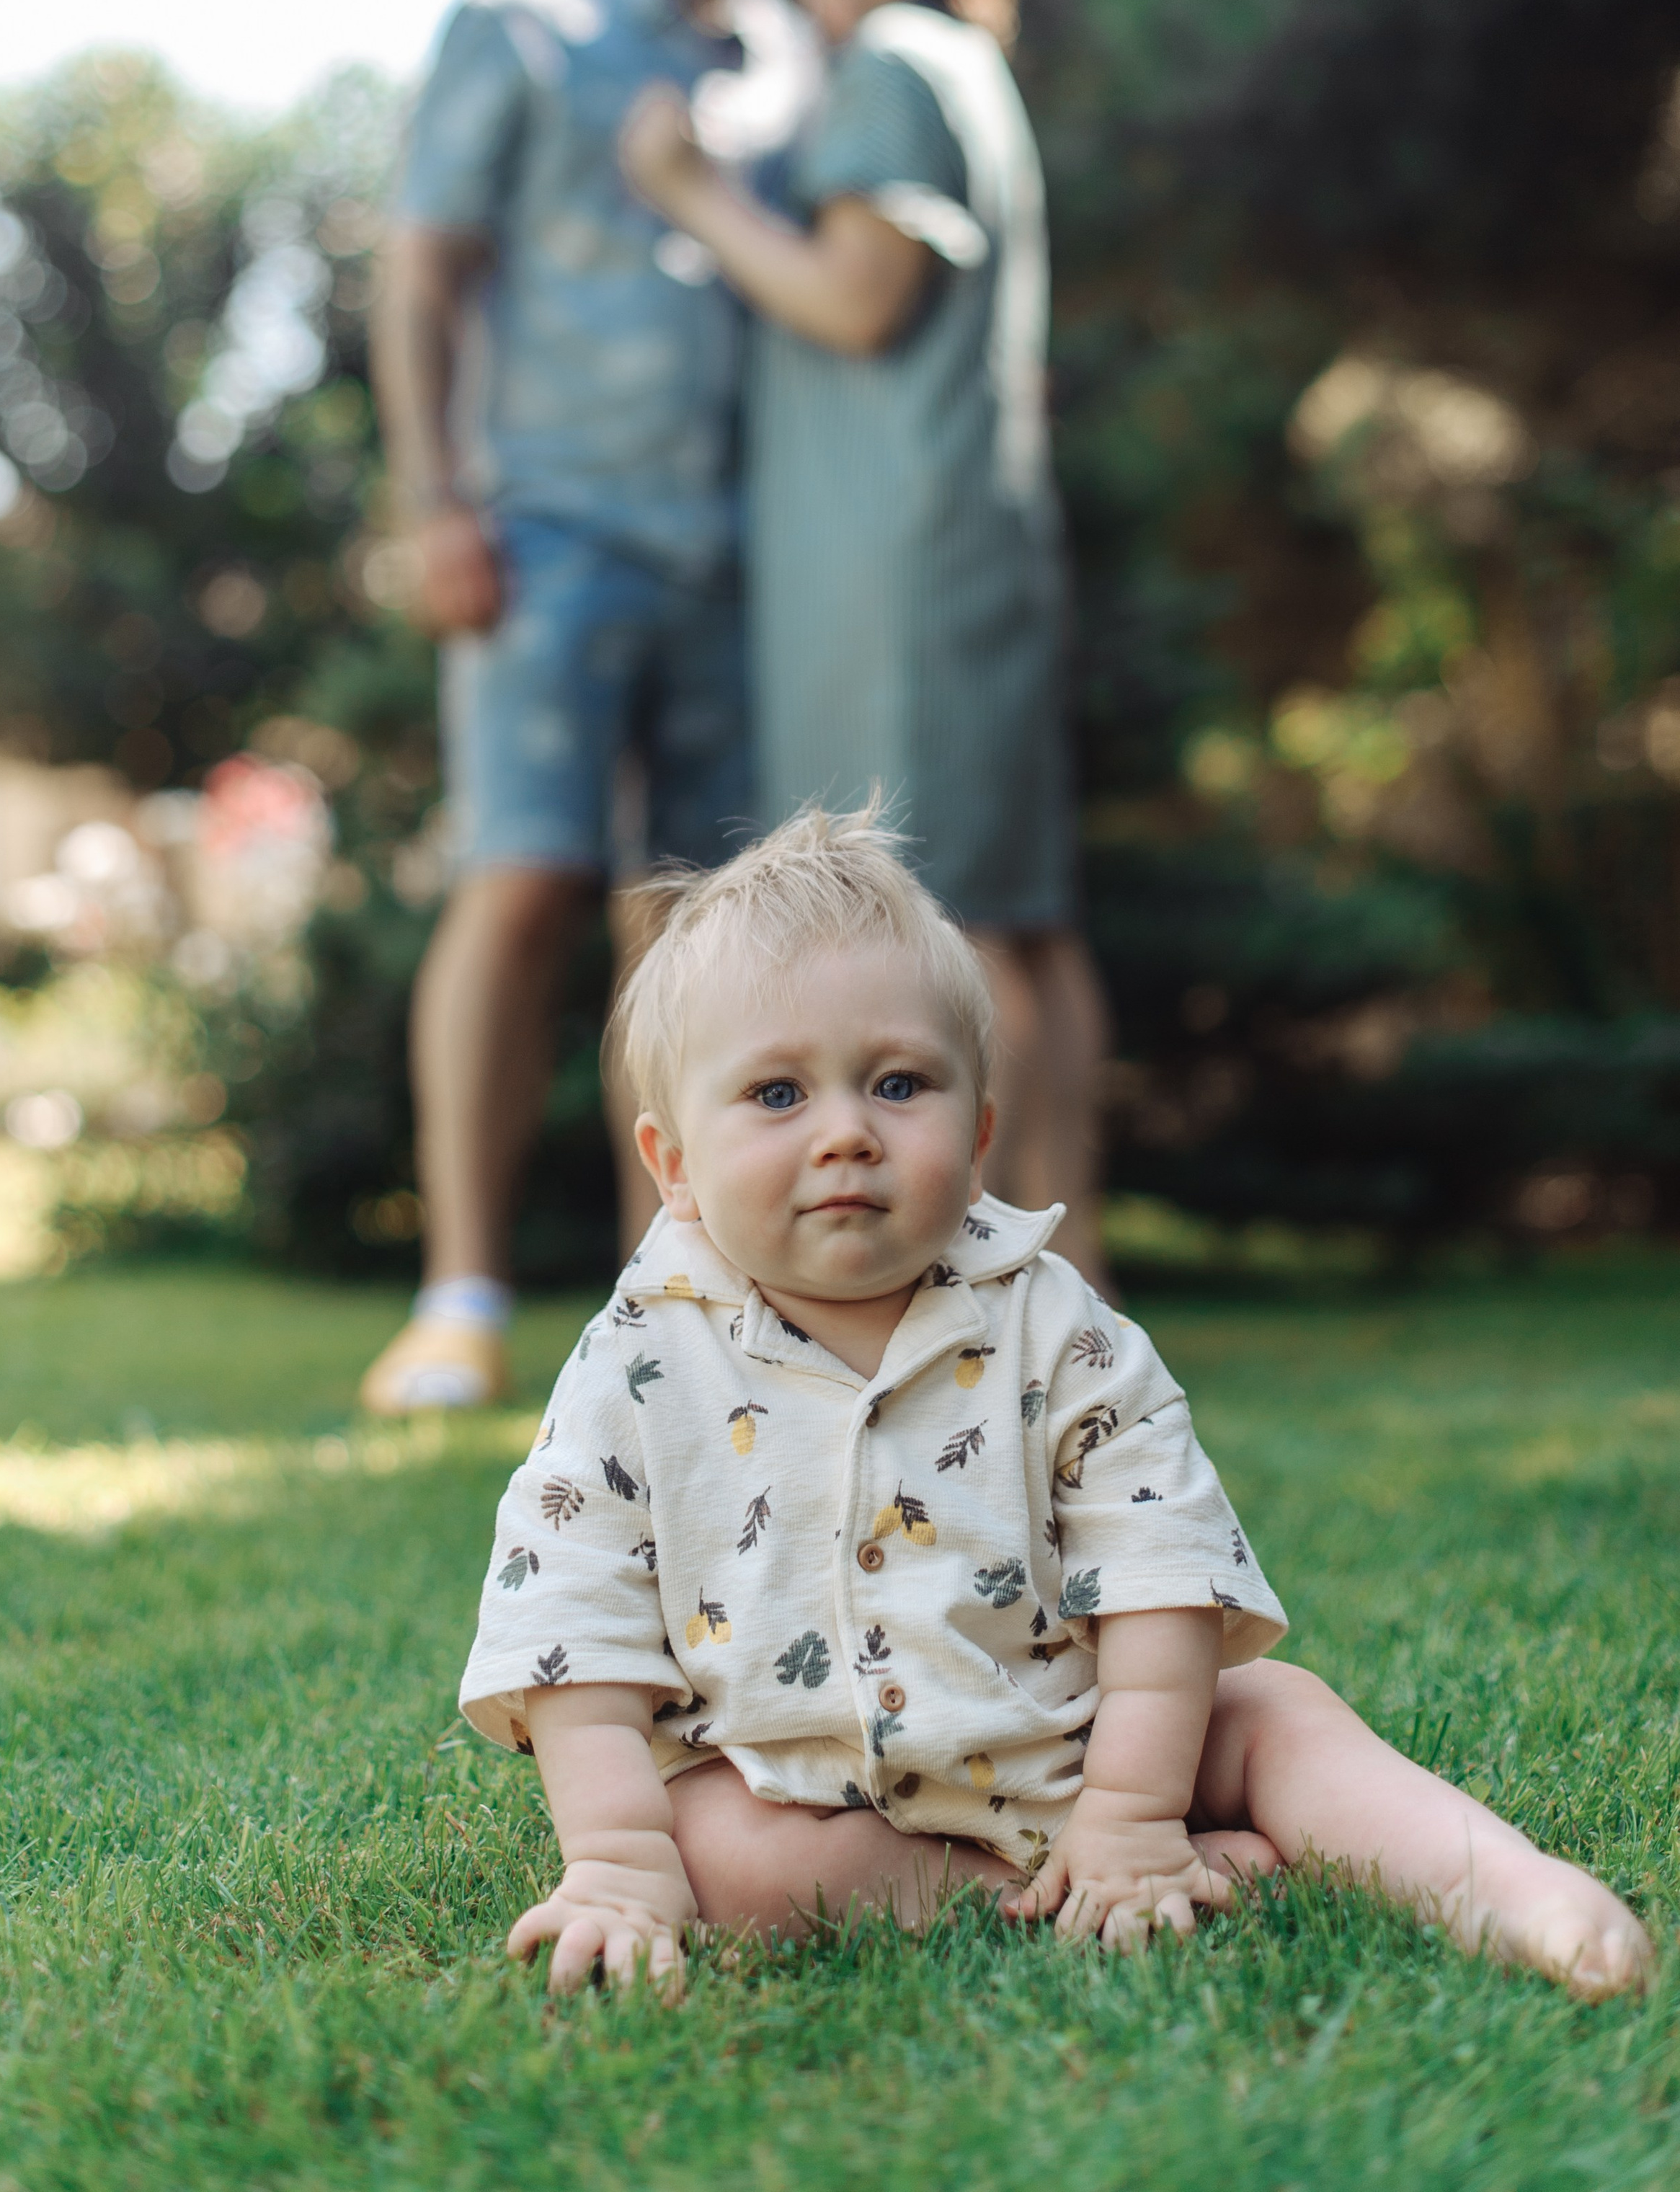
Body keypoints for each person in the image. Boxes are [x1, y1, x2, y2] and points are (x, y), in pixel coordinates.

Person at [461, 807, 1652, 2000]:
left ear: (978, 1135)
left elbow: (1159, 1563)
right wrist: (618, 1862)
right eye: (776, 1094)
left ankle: (1506, 1889)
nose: (845, 1134)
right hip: (804, 1782)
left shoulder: (1056, 1325)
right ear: (673, 1164)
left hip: (1089, 1736)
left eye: (897, 1083)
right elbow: (576, 1618)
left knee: (1278, 1712)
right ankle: (1025, 1893)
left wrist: (1131, 1806)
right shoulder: (636, 1359)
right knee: (720, 1850)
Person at [359, 0, 838, 1416]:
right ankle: (461, 1292)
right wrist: (434, 499)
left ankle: (676, 1313)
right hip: (543, 533)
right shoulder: (517, 25)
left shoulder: (789, 58)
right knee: (523, 882)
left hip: (731, 554)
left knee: (691, 932)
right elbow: (418, 273)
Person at [620, 0, 1111, 1293]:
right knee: (1021, 916)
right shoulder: (965, 66)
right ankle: (1072, 1280)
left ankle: (1013, 1287)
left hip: (895, 556)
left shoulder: (895, 62)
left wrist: (686, 190)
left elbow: (854, 297)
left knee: (954, 918)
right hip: (965, 535)